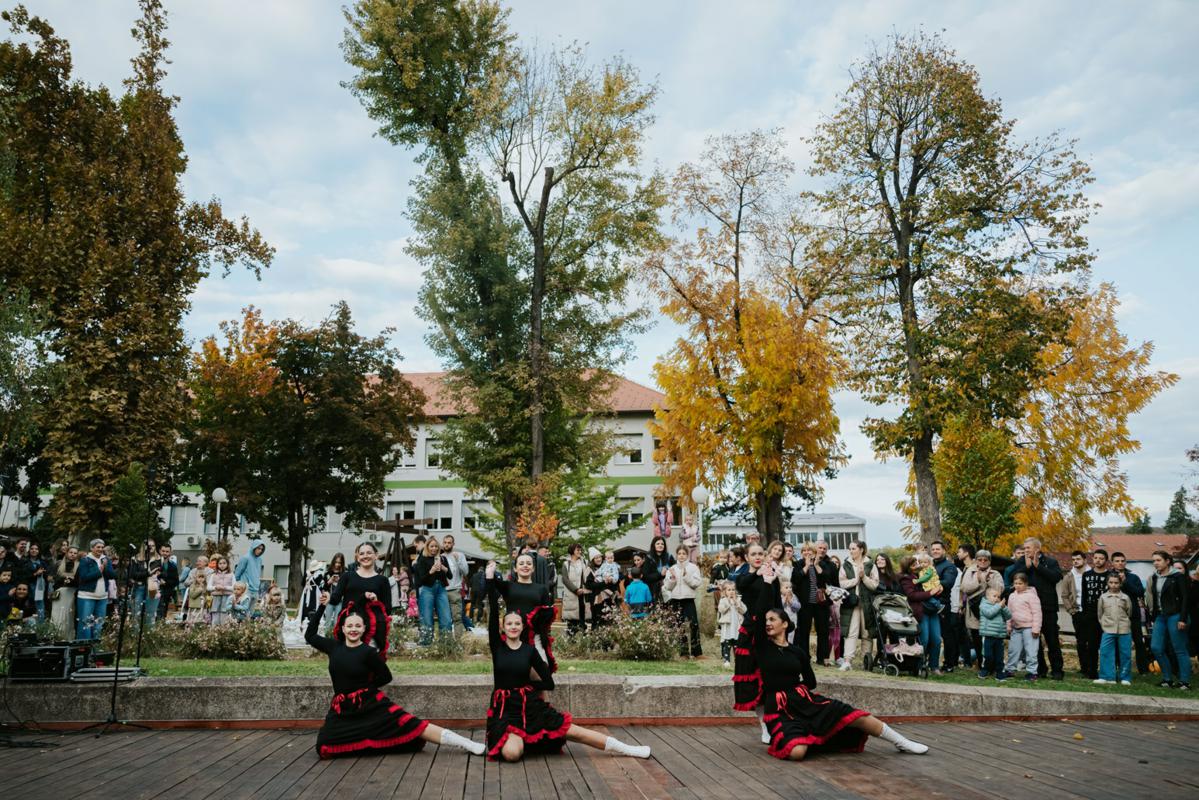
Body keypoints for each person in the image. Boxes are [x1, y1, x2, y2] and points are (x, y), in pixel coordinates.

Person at [753, 561, 928, 760]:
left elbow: (811, 682)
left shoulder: (797, 652)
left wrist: (796, 691)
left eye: (772, 620)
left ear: (785, 624)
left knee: (855, 715)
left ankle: (902, 742)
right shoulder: (763, 647)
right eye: (766, 620)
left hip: (804, 702)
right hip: (779, 710)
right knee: (797, 752)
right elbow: (760, 613)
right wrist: (767, 583)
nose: (767, 623)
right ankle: (811, 738)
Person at [305, 590, 483, 758]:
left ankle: (467, 743)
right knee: (324, 746)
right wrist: (322, 606)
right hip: (342, 710)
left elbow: (385, 676)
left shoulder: (368, 652)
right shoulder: (333, 647)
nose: (353, 629)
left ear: (364, 628)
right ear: (343, 628)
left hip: (369, 705)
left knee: (412, 724)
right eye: (349, 626)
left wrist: (364, 690)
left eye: (358, 626)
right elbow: (310, 635)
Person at [484, 579, 649, 761]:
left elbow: (549, 683)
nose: (513, 627)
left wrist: (526, 686)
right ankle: (527, 742)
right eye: (509, 624)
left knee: (576, 732)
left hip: (530, 707)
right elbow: (493, 611)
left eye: (517, 623)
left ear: (523, 626)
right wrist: (490, 580)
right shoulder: (497, 647)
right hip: (505, 712)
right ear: (503, 627)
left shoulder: (530, 651)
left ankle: (628, 749)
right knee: (512, 754)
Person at [737, 543, 779, 744]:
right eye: (753, 554)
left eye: (760, 553)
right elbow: (741, 585)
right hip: (750, 632)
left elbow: (776, 605)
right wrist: (757, 573)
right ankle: (764, 726)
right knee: (754, 681)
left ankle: (775, 723)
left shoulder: (771, 576)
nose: (757, 557)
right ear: (747, 557)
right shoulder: (745, 576)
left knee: (771, 680)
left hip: (769, 631)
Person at [488, 553, 556, 673]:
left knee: (542, 672)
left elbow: (546, 616)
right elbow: (491, 585)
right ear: (515, 568)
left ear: (533, 568)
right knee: (514, 672)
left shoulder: (541, 589)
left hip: (534, 636)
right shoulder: (508, 586)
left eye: (529, 563)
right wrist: (491, 571)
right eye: (521, 563)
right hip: (513, 636)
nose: (525, 566)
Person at [1014, 537, 1065, 679]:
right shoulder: (1022, 562)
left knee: (1052, 640)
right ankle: (1040, 669)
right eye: (1024, 548)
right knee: (1033, 641)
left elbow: (1056, 577)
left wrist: (1038, 566)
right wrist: (1027, 567)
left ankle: (1057, 670)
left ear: (1037, 549)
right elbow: (1014, 576)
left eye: (1028, 548)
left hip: (1048, 607)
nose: (1025, 551)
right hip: (1029, 609)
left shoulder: (1051, 562)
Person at [331, 542, 392, 654]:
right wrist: (326, 596)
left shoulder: (382, 580)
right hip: (350, 627)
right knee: (347, 660)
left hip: (372, 630)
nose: (365, 556)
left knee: (369, 661)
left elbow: (387, 609)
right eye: (362, 553)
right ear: (357, 557)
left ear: (376, 555)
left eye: (369, 553)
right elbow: (335, 599)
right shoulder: (347, 576)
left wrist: (376, 602)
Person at [1146, 550, 1190, 690]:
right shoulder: (1154, 577)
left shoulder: (1178, 576)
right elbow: (1154, 597)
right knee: (1156, 647)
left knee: (1179, 649)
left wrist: (1182, 619)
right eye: (1154, 560)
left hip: (1175, 615)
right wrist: (1153, 616)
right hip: (1160, 616)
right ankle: (1167, 679)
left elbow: (1185, 598)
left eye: (1158, 560)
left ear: (1167, 561)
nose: (1155, 563)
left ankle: (1184, 682)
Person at [899, 554, 943, 676]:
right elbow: (912, 595)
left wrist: (939, 587)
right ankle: (919, 666)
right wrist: (930, 593)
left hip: (931, 610)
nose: (917, 565)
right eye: (914, 564)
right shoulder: (905, 579)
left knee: (937, 639)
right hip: (920, 611)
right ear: (908, 567)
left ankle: (934, 666)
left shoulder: (923, 572)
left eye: (917, 563)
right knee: (924, 639)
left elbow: (932, 582)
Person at [837, 541, 878, 671]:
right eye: (850, 549)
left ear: (861, 550)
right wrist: (856, 580)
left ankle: (867, 661)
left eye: (853, 549)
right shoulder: (846, 565)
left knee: (867, 633)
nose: (851, 551)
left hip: (867, 604)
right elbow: (842, 583)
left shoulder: (871, 565)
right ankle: (847, 661)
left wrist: (864, 577)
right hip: (851, 604)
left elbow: (875, 585)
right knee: (851, 632)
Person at [961, 550, 1004, 669]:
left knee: (991, 639)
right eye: (980, 559)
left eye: (985, 560)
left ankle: (992, 665)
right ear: (976, 560)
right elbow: (964, 588)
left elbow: (1000, 589)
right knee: (977, 639)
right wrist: (978, 580)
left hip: (991, 613)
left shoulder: (995, 573)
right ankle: (981, 664)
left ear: (989, 561)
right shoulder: (970, 571)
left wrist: (989, 580)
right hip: (974, 611)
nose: (983, 562)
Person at [1110, 552, 1150, 674]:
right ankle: (1118, 667)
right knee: (1116, 643)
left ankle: (1143, 669)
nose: (1120, 563)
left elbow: (1140, 592)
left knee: (1139, 642)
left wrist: (1125, 581)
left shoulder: (1133, 577)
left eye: (1122, 561)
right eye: (1117, 561)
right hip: (1115, 614)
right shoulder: (1109, 576)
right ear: (1112, 563)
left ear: (1126, 562)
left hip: (1133, 615)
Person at [793, 542, 831, 668]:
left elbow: (827, 578)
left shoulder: (822, 564)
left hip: (821, 603)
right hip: (805, 603)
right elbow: (796, 579)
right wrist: (806, 566)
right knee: (804, 631)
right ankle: (805, 657)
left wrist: (816, 565)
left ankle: (822, 657)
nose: (807, 553)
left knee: (823, 630)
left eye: (810, 550)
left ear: (815, 552)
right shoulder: (798, 564)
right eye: (804, 550)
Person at [664, 545, 704, 657]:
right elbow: (668, 587)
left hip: (688, 599)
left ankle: (696, 652)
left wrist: (687, 576)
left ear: (687, 555)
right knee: (679, 625)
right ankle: (683, 652)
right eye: (679, 553)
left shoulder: (693, 567)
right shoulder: (672, 568)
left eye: (684, 554)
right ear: (676, 555)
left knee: (694, 624)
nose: (681, 556)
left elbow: (696, 584)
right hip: (676, 599)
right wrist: (672, 578)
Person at [1095, 572, 1133, 685]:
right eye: (1111, 582)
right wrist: (1105, 625)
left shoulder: (1125, 597)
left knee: (1125, 654)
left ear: (1120, 584)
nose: (1113, 585)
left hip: (1124, 629)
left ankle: (1125, 677)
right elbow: (1100, 614)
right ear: (1107, 583)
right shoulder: (1103, 597)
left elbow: (1129, 612)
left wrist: (1124, 622)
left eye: (1116, 583)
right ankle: (1107, 677)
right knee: (1105, 652)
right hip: (1108, 629)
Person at [1078, 549, 1112, 679]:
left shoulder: (1110, 575)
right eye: (1096, 558)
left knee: (1106, 644)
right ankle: (1092, 671)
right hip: (1090, 613)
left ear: (1106, 560)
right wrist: (1084, 613)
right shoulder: (1086, 575)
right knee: (1092, 644)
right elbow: (1084, 595)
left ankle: (1107, 671)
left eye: (1101, 558)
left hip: (1107, 612)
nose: (1098, 560)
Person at [1003, 572, 1042, 682]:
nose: (1017, 585)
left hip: (1029, 628)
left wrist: (1036, 629)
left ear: (1026, 584)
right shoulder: (1012, 596)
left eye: (1020, 583)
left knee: (1031, 651)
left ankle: (1032, 672)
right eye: (1015, 583)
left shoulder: (1032, 596)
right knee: (1013, 650)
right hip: (1016, 628)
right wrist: (1008, 626)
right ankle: (1010, 670)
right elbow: (1008, 612)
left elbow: (1037, 613)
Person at [413, 538, 452, 645]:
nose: (434, 548)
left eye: (436, 546)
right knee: (427, 619)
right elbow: (421, 579)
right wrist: (431, 571)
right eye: (431, 546)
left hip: (441, 590)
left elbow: (450, 576)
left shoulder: (442, 558)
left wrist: (444, 568)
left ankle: (445, 645)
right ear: (427, 547)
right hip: (427, 589)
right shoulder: (422, 559)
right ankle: (426, 645)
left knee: (446, 618)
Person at [75, 538, 116, 640]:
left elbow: (112, 575)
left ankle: (96, 646)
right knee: (86, 623)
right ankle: (85, 646)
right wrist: (99, 572)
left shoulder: (106, 559)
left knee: (99, 624)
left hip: (102, 597)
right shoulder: (85, 560)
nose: (100, 549)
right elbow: (83, 577)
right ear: (92, 548)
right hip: (86, 596)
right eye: (98, 547)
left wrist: (105, 568)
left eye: (102, 547)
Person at [1061, 550, 1089, 675]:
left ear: (1085, 560)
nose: (1075, 561)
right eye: (1073, 560)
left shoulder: (1091, 574)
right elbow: (1064, 595)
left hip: (1091, 612)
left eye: (1078, 559)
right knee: (1081, 641)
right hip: (1077, 612)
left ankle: (1092, 666)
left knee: (1093, 641)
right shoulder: (1069, 576)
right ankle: (1084, 667)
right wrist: (1071, 610)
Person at [977, 586, 1011, 679]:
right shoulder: (983, 605)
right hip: (988, 635)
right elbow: (989, 614)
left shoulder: (1000, 606)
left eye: (998, 597)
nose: (997, 598)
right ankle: (985, 670)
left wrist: (1004, 607)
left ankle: (999, 673)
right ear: (987, 597)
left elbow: (1009, 616)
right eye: (994, 596)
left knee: (999, 656)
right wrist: (999, 606)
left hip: (999, 635)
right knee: (988, 655)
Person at [441, 534, 472, 634]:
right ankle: (447, 640)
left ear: (453, 544)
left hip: (455, 590)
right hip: (442, 591)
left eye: (449, 543)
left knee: (457, 618)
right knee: (444, 619)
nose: (447, 544)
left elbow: (466, 572)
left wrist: (458, 560)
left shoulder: (459, 555)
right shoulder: (440, 557)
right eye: (445, 542)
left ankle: (459, 640)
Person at [560, 543, 592, 636]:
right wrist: (575, 590)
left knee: (583, 618)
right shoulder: (566, 564)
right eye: (578, 550)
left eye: (580, 550)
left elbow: (588, 576)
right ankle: (571, 639)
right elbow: (565, 579)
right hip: (572, 594)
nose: (580, 551)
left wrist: (584, 589)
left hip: (583, 594)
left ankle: (583, 638)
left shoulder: (584, 562)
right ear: (572, 551)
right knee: (572, 620)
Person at [718, 581, 745, 668]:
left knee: (737, 644)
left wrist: (737, 603)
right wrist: (729, 602)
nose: (731, 592)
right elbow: (721, 610)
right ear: (724, 591)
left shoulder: (738, 600)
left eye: (733, 589)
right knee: (727, 643)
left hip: (736, 626)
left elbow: (744, 610)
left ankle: (738, 660)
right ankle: (726, 660)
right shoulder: (723, 600)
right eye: (729, 590)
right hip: (728, 626)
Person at [53, 545, 79, 634]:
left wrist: (72, 580)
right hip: (60, 593)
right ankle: (56, 634)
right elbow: (53, 578)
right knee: (57, 615)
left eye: (75, 553)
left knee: (69, 615)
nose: (73, 554)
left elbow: (79, 580)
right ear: (67, 553)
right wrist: (64, 579)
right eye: (71, 552)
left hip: (72, 593)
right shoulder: (59, 564)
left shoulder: (79, 565)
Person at [234, 539, 266, 611]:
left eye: (261, 549)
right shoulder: (245, 558)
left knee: (251, 611)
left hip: (256, 589)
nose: (260, 550)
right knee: (243, 610)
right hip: (246, 589)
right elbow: (237, 573)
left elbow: (257, 573)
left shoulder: (260, 560)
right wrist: (240, 586)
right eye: (258, 548)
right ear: (254, 547)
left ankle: (247, 619)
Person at [24, 542, 49, 621]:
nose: (34, 550)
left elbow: (47, 576)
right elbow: (23, 577)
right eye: (32, 549)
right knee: (28, 609)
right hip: (28, 589)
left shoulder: (43, 562)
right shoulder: (24, 562)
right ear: (29, 550)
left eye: (36, 549)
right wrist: (35, 574)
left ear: (39, 551)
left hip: (40, 589)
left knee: (40, 608)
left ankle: (40, 626)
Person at [208, 556, 235, 625]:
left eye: (224, 563)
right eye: (220, 563)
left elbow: (234, 587)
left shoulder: (231, 574)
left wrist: (225, 587)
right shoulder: (213, 575)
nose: (222, 565)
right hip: (216, 597)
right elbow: (208, 587)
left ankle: (223, 628)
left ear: (227, 564)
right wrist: (215, 587)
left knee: (225, 612)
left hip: (227, 597)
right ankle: (214, 628)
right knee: (215, 612)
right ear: (217, 565)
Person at [645, 536, 673, 601]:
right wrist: (660, 574)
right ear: (653, 545)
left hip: (669, 589)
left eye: (662, 544)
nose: (660, 545)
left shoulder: (669, 557)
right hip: (654, 590)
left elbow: (675, 570)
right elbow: (646, 576)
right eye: (658, 544)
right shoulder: (649, 558)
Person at [323, 552, 348, 628]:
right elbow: (323, 588)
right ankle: (327, 634)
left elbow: (347, 588)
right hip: (329, 600)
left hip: (340, 601)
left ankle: (335, 635)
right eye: (336, 562)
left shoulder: (344, 574)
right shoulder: (328, 573)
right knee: (327, 621)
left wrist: (340, 581)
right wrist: (329, 581)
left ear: (342, 563)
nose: (337, 564)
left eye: (339, 563)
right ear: (333, 562)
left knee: (336, 622)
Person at [184, 554, 210, 624]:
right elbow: (186, 582)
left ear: (205, 563)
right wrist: (194, 581)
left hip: (204, 599)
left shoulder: (210, 571)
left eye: (199, 561)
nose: (197, 563)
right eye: (197, 561)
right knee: (193, 617)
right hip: (193, 598)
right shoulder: (193, 571)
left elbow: (208, 583)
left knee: (202, 617)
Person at [157, 544, 179, 621]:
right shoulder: (155, 562)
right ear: (159, 551)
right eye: (163, 551)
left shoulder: (173, 565)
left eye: (167, 551)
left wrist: (165, 582)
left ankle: (161, 625)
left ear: (170, 552)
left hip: (166, 592)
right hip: (154, 591)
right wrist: (159, 580)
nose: (165, 553)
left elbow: (176, 581)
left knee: (163, 612)